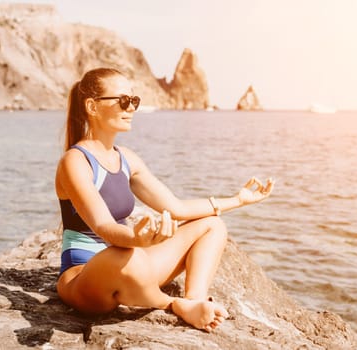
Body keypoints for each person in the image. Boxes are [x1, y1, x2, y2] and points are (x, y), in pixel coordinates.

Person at [55, 67, 274, 332]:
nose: (132, 107)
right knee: (127, 255)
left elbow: (177, 208)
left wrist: (238, 200)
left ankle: (194, 299)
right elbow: (103, 227)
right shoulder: (75, 161)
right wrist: (138, 239)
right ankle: (173, 304)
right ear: (92, 106)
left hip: (131, 267)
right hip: (85, 279)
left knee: (212, 225)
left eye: (134, 100)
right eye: (123, 100)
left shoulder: (127, 158)